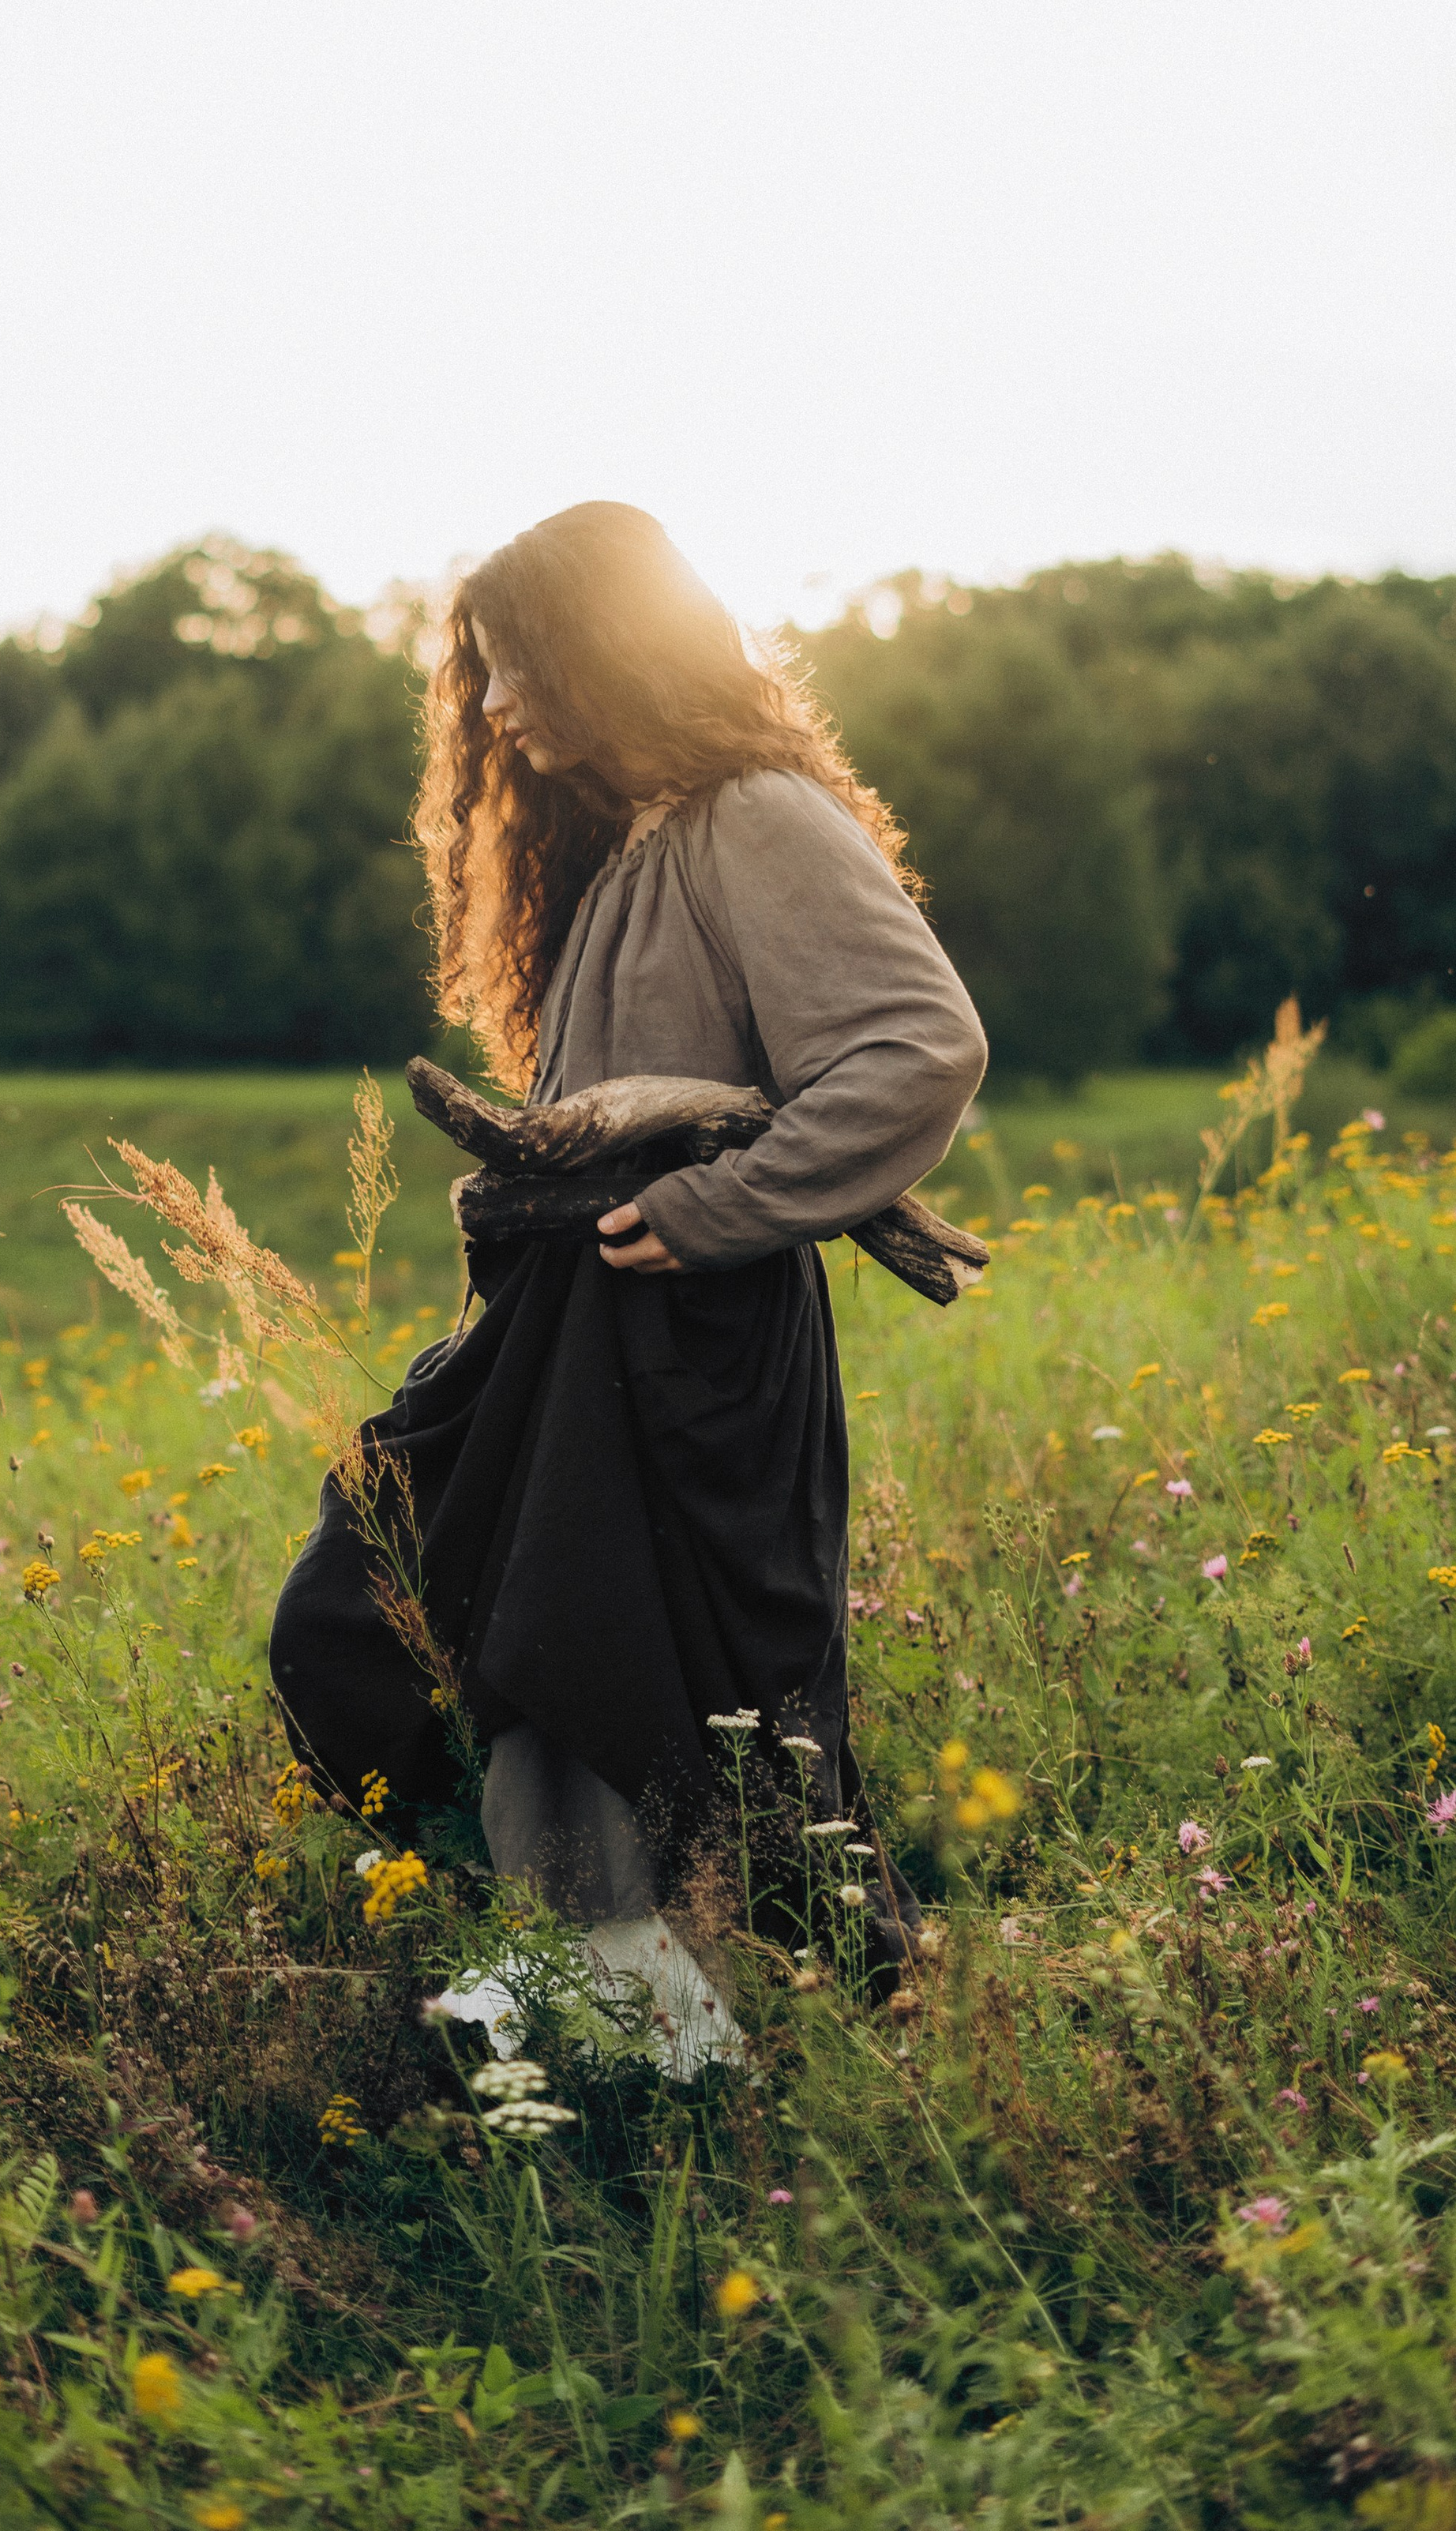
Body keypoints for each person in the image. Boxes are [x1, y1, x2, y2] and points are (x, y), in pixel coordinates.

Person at [269, 501, 986, 2060]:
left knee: (588, 1662)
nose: (499, 707)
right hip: (565, 1325)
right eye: (483, 675)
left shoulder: (756, 817)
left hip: (688, 1338)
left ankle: (647, 2030)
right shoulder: (621, 851)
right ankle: (626, 1990)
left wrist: (732, 1203)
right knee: (359, 1607)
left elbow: (918, 1048)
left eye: (518, 666)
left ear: (609, 651)